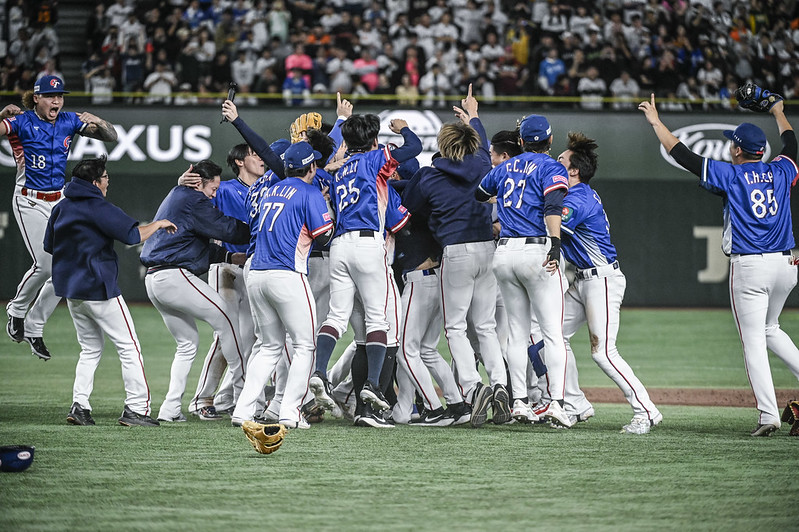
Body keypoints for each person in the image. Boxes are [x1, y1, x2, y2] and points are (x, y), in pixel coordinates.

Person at [638, 93, 799, 437]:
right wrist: (778, 111)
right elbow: (791, 143)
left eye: (732, 146)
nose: (729, 149)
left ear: (739, 151)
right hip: (786, 264)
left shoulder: (732, 175)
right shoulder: (781, 170)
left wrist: (656, 123)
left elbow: (684, 155)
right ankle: (770, 411)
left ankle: (768, 416)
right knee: (771, 330)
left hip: (751, 267)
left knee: (753, 340)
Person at [402, 85, 510, 428]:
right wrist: (474, 114)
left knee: (454, 327)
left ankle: (472, 386)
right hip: (487, 250)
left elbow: (411, 210)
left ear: (442, 146)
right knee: (486, 327)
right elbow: (479, 142)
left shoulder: (430, 175)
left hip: (456, 253)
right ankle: (501, 385)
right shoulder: (481, 164)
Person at [43, 157, 175, 426]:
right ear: (95, 182)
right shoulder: (98, 207)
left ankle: (80, 406)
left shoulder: (62, 206)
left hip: (71, 291)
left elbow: (49, 245)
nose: (107, 183)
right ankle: (136, 408)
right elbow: (133, 236)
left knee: (89, 350)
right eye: (105, 178)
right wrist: (159, 223)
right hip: (99, 289)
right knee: (129, 347)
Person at [308, 113, 422, 427]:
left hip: (338, 246)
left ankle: (319, 372)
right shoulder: (375, 160)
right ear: (373, 141)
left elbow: (323, 169)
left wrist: (334, 157)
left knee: (336, 316)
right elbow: (413, 147)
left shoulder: (339, 169)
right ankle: (372, 384)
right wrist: (403, 129)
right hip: (368, 243)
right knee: (377, 319)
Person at [1, 75, 118, 360]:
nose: (57, 100)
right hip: (29, 198)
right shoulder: (21, 122)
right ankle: (17, 310)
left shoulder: (68, 120)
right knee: (46, 263)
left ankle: (34, 326)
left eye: (60, 96)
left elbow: (111, 136)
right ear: (37, 98)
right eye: (51, 96)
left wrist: (98, 120)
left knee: (64, 268)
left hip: (59, 199)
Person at [555, 131, 662, 434]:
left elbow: (553, 225)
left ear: (573, 170)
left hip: (601, 279)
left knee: (603, 351)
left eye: (560, 160)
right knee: (551, 336)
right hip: (583, 280)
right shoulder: (574, 194)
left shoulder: (578, 198)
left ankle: (646, 410)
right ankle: (575, 404)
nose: (555, 163)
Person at [476, 113, 573, 428]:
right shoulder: (551, 167)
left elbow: (480, 193)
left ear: (520, 141)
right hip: (535, 251)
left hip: (504, 252)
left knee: (516, 334)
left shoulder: (504, 166)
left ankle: (519, 402)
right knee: (552, 332)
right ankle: (556, 404)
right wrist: (555, 245)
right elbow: (553, 206)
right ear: (550, 140)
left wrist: (504, 196)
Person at [231, 142, 334, 429]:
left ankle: (243, 410)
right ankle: (289, 411)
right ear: (311, 167)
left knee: (268, 346)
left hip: (257, 274)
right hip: (287, 274)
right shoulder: (310, 191)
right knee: (304, 345)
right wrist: (324, 205)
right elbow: (324, 236)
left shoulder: (270, 190)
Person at [140, 160, 251, 423]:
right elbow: (227, 228)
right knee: (229, 322)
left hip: (155, 280)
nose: (214, 194)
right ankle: (247, 395)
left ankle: (169, 409)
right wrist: (261, 225)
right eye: (212, 188)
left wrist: (229, 256)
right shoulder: (193, 199)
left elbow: (190, 242)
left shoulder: (177, 195)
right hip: (174, 276)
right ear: (198, 182)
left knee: (187, 344)